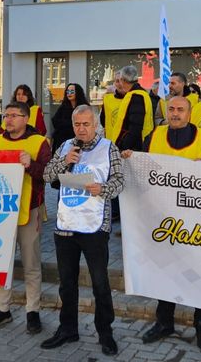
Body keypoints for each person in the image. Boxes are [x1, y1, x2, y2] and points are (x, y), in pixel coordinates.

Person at [123, 96, 201, 350]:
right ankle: (164, 322)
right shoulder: (155, 136)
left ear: (190, 113)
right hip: (163, 220)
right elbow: (141, 170)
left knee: (199, 272)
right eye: (171, 109)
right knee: (166, 271)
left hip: (196, 223)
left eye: (180, 110)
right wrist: (130, 158)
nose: (175, 113)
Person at [41, 105, 124, 356]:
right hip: (66, 225)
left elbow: (120, 181)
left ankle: (105, 333)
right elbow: (47, 175)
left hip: (95, 226)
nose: (81, 129)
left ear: (96, 124)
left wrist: (104, 189)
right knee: (67, 283)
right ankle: (68, 329)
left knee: (100, 283)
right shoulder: (66, 146)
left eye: (86, 124)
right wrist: (65, 162)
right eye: (77, 124)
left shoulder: (109, 147)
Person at [0, 102, 52, 335]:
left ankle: (33, 311)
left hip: (28, 209)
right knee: (1, 263)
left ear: (26, 118)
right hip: (0, 212)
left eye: (14, 115)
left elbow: (49, 174)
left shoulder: (39, 141)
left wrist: (31, 165)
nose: (8, 119)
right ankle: (2, 309)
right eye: (6, 115)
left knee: (31, 265)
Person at [100, 65, 153, 222]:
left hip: (132, 149)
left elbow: (134, 127)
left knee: (130, 186)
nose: (118, 84)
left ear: (123, 80)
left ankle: (131, 219)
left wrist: (122, 146)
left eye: (120, 80)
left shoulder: (136, 96)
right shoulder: (139, 94)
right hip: (135, 147)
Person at [51, 83, 89, 153]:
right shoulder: (63, 107)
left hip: (79, 139)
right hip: (63, 140)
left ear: (77, 92)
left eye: (72, 91)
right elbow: (55, 121)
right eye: (67, 92)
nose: (69, 94)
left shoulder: (84, 107)